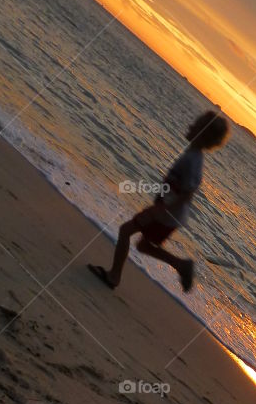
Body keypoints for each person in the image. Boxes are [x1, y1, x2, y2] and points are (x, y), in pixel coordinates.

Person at [89, 110, 229, 294]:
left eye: (196, 125)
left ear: (203, 134)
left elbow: (187, 194)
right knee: (143, 245)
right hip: (169, 214)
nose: (190, 126)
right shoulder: (192, 155)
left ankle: (114, 276)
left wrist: (160, 210)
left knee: (125, 231)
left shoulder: (193, 160)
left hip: (166, 214)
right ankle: (181, 265)